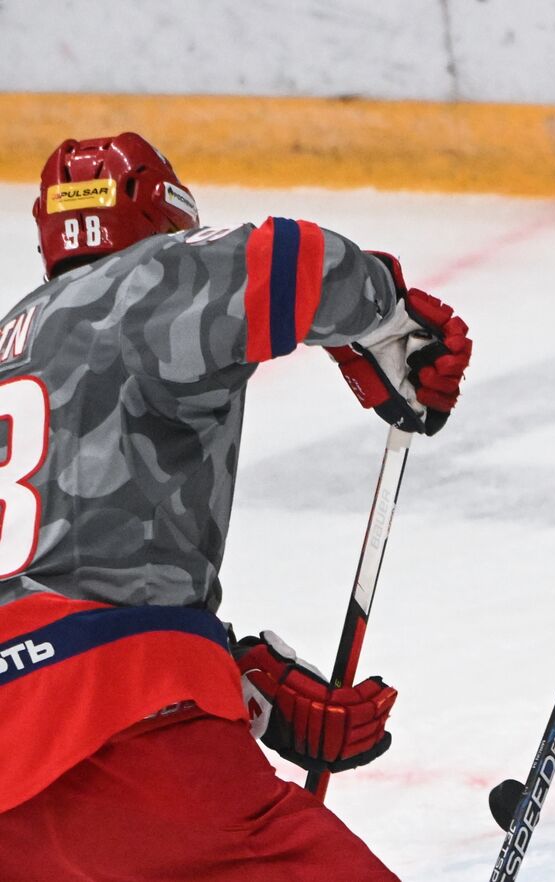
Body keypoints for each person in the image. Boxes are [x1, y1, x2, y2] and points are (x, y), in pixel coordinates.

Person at [0, 132, 472, 880]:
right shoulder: (145, 278)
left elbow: (42, 593)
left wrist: (237, 686)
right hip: (131, 753)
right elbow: (295, 260)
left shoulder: (10, 350)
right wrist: (386, 322)